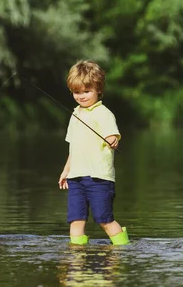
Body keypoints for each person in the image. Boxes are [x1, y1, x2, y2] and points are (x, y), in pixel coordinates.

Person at [58, 60, 129, 245]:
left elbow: (113, 136)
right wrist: (66, 171)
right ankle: (77, 257)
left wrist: (113, 140)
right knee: (76, 219)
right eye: (76, 92)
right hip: (76, 177)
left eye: (86, 91)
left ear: (98, 89)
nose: (81, 96)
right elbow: (73, 146)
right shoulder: (75, 114)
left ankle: (123, 247)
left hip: (99, 177)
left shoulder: (103, 113)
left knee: (103, 219)